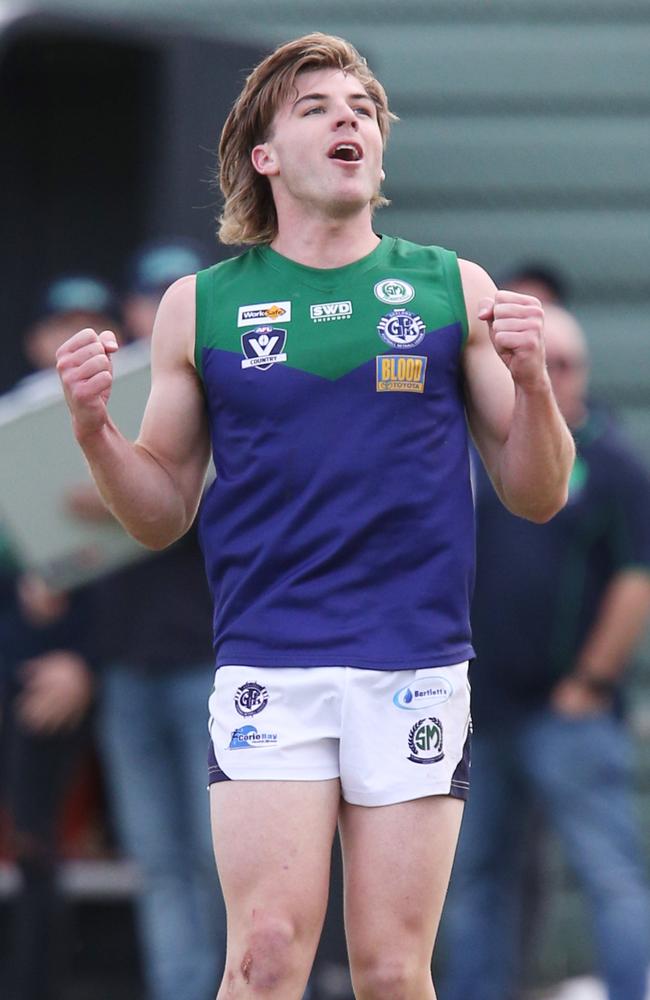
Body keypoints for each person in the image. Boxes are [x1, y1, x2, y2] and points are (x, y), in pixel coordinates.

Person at [54, 33, 575, 1000]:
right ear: (265, 155)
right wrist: (93, 432)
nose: (350, 118)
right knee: (261, 960)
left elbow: (536, 492)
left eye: (365, 110)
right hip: (270, 662)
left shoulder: (450, 286)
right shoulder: (199, 306)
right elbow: (160, 511)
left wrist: (534, 383)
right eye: (318, 106)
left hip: (415, 662)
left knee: (388, 972)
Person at [440, 304, 650, 1000]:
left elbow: (636, 579)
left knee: (609, 874)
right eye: (539, 363)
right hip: (481, 712)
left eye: (565, 365)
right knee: (478, 882)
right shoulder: (481, 454)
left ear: (583, 374)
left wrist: (592, 680)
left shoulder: (613, 464)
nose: (551, 377)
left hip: (571, 713)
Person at [87, 238, 227, 1000]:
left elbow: (196, 505)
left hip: (208, 661)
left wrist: (123, 493)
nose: (153, 311)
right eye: (145, 296)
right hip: (126, 663)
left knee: (224, 859)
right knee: (161, 859)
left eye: (168, 295)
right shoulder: (110, 392)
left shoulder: (223, 380)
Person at [0, 274, 118, 1000]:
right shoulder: (13, 426)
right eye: (60, 325)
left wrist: (84, 661)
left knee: (44, 844)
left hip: (91, 667)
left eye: (90, 325)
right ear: (36, 340)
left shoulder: (152, 430)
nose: (70, 340)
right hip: (22, 658)